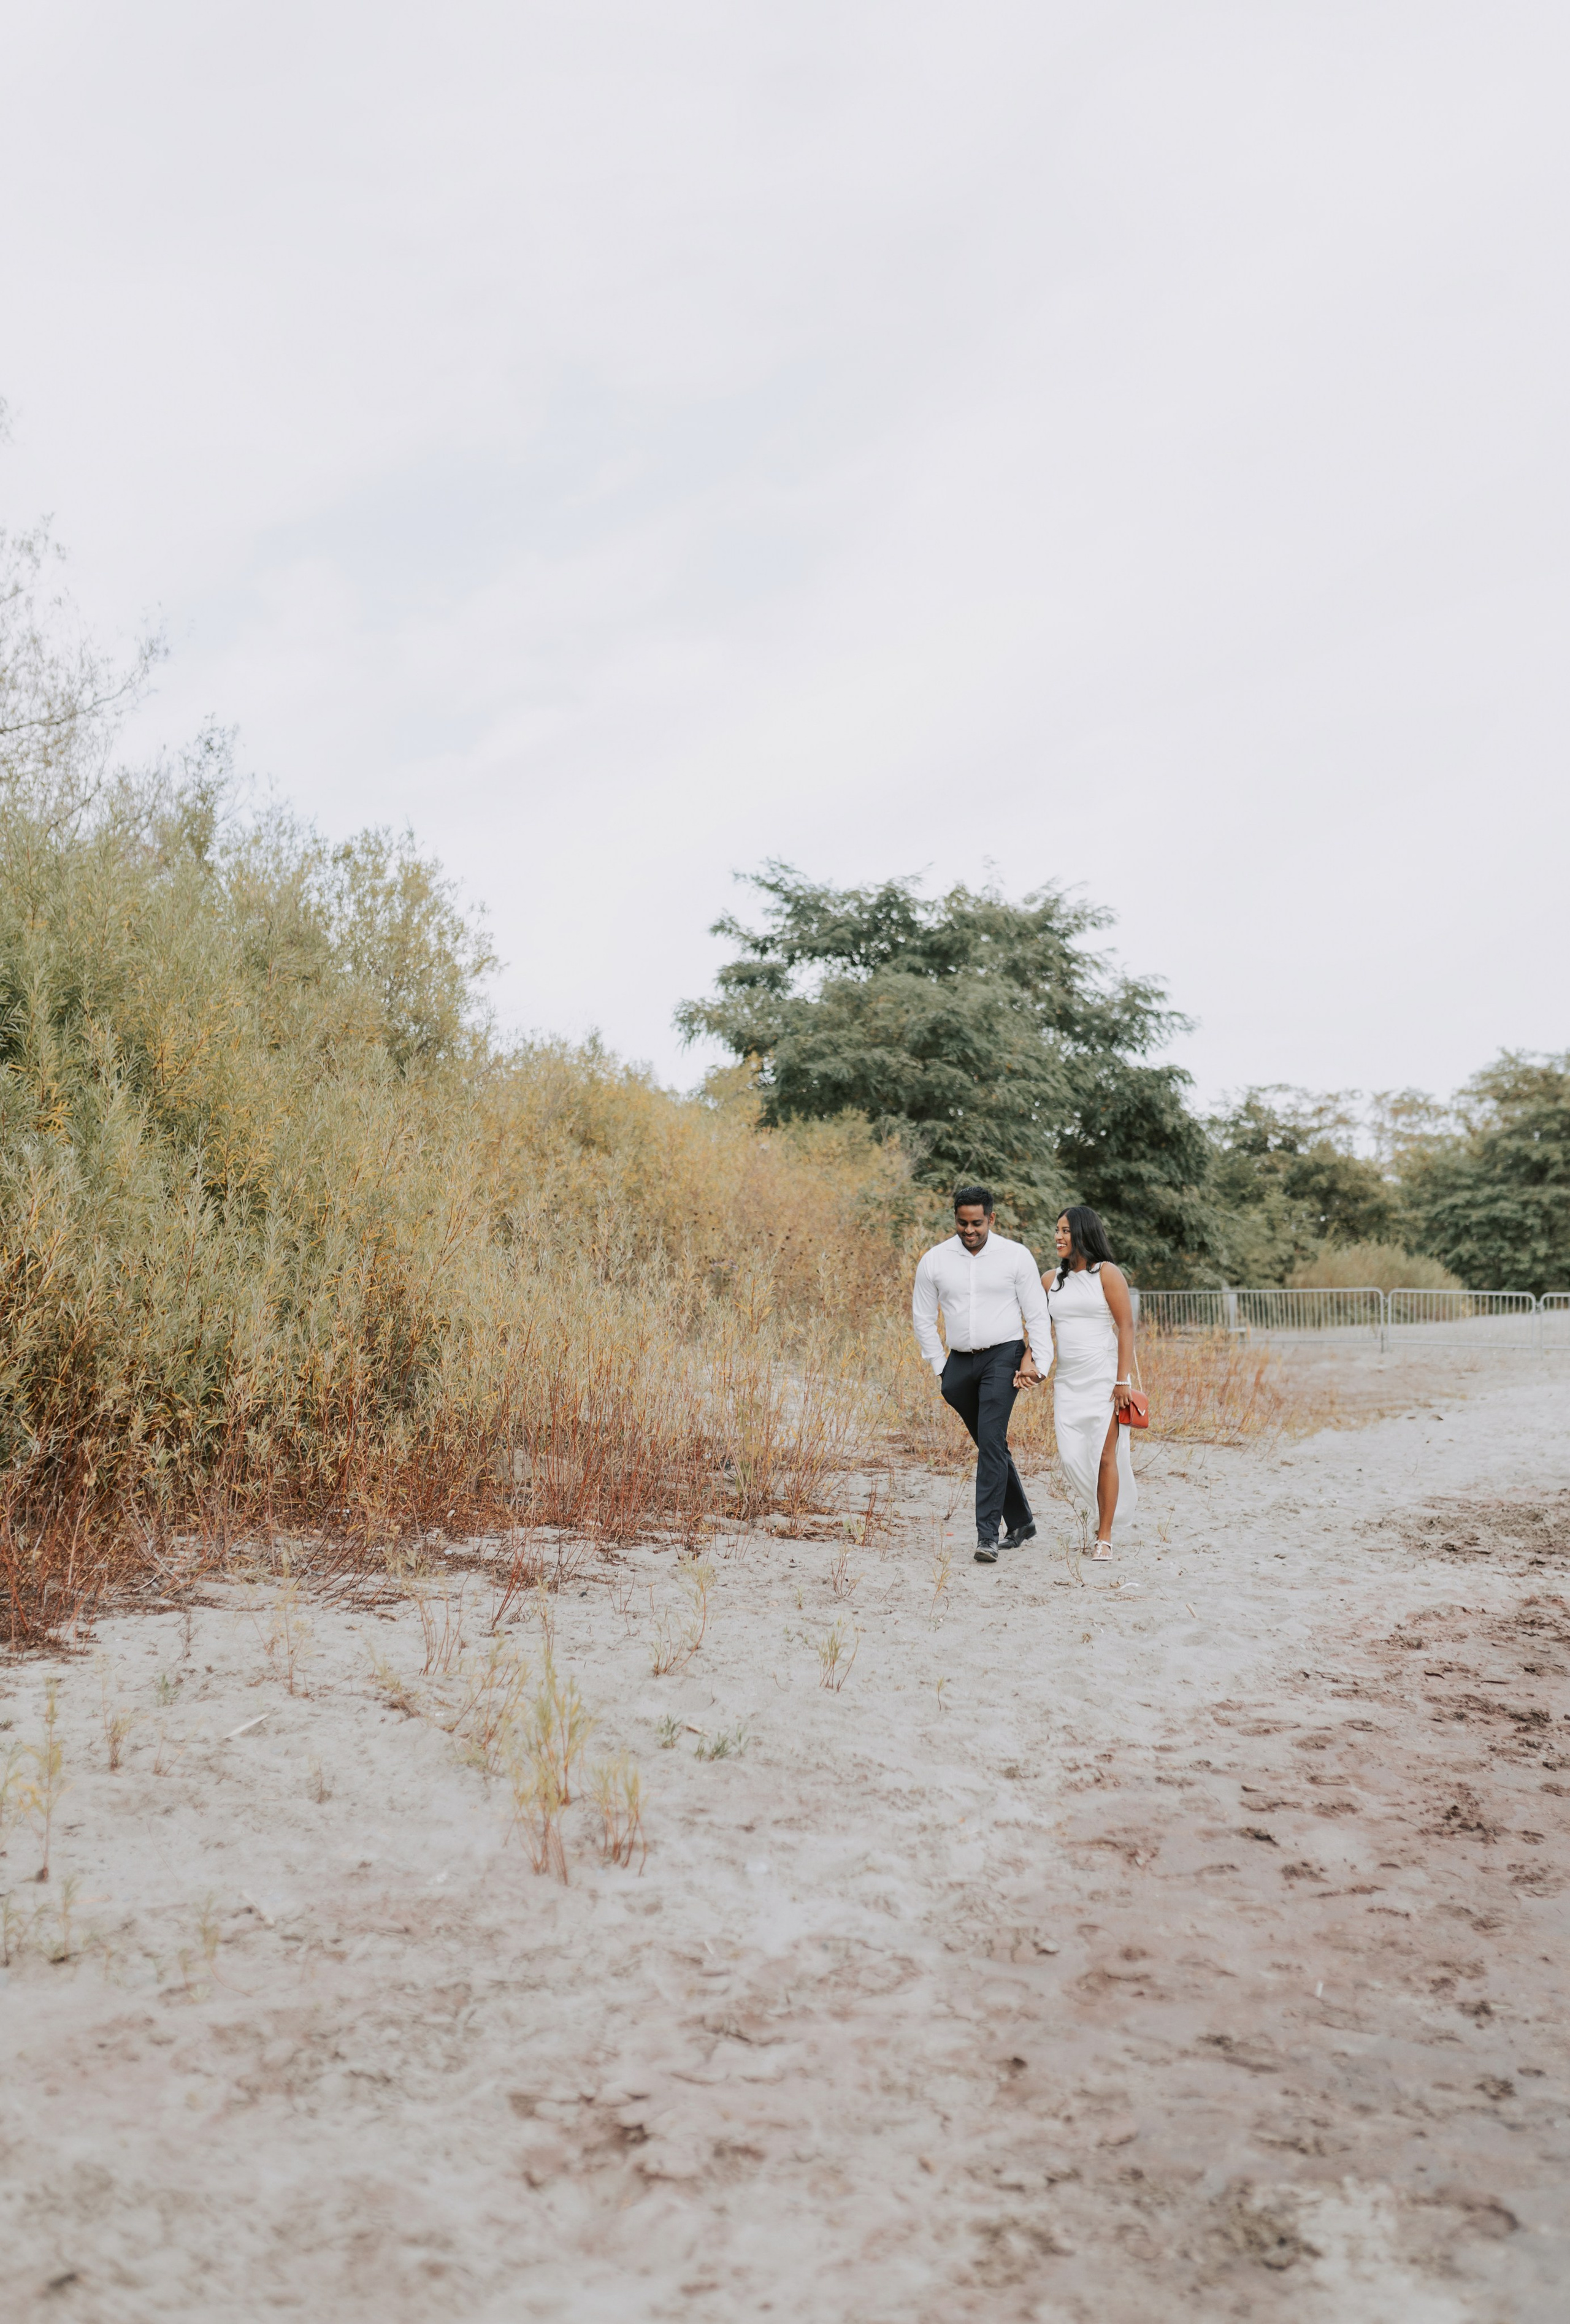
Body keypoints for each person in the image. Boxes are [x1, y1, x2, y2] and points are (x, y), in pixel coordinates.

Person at [912, 1186, 1053, 1564]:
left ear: (992, 1219)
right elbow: (923, 1318)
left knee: (991, 1441)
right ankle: (1023, 1521)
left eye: (977, 1223)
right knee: (992, 1444)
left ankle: (987, 1536)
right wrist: (940, 1367)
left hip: (1003, 1358)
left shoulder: (1016, 1256)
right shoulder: (935, 1260)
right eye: (962, 1222)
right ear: (954, 1218)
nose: (969, 1230)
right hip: (957, 1364)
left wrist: (1039, 1362)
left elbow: (1037, 1314)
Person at [1020, 1204, 1137, 1558]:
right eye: (1057, 1230)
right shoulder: (1049, 1280)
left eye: (1066, 1230)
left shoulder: (1107, 1273)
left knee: (1105, 1457)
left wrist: (1122, 1381)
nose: (1058, 1236)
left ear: (1083, 1233)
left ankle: (1104, 1536)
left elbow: (1127, 1327)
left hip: (1105, 1378)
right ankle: (1111, 1508)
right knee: (1071, 1459)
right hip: (1068, 1382)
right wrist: (1030, 1362)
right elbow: (1039, 1331)